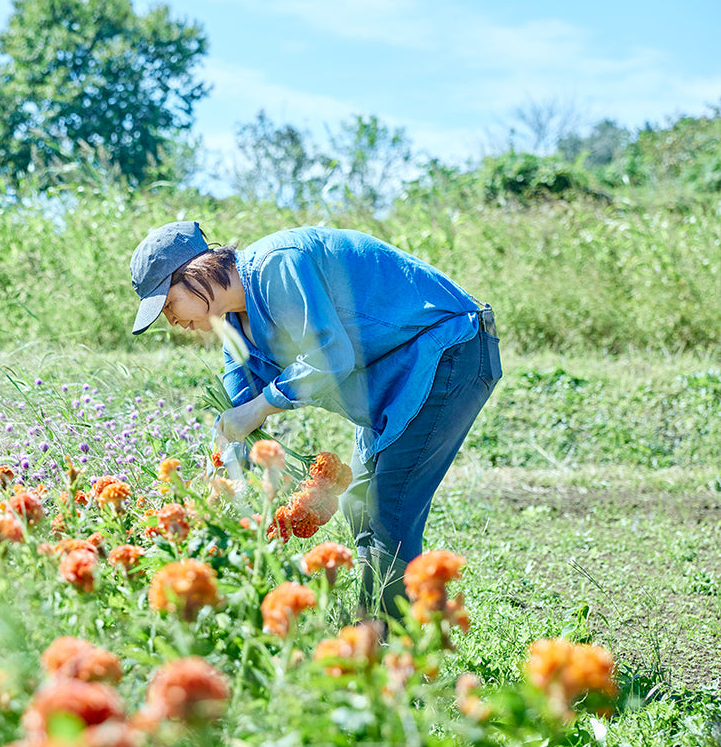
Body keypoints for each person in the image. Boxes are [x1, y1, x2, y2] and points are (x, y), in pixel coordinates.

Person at [129, 221, 502, 619]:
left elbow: (331, 356)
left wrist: (258, 409)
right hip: (396, 376)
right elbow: (238, 408)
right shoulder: (235, 326)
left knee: (388, 511)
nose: (171, 321)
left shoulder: (277, 266)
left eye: (168, 304)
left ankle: (389, 649)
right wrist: (214, 482)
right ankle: (375, 628)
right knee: (359, 504)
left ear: (195, 273)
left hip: (448, 349)